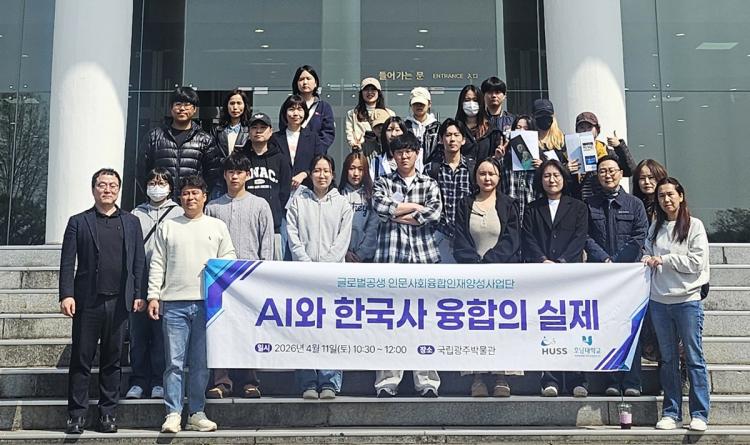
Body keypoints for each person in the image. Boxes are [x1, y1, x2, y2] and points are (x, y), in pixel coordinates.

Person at [59, 168, 146, 434]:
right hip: (87, 302)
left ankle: (108, 414)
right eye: (102, 185)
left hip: (119, 303)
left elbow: (139, 262)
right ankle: (76, 415)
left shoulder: (131, 222)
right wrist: (66, 294)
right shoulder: (78, 221)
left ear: (118, 190)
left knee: (113, 360)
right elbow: (67, 262)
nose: (107, 190)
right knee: (81, 359)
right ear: (93, 189)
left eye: (112, 185)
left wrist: (139, 294)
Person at [147, 175, 236, 433]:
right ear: (180, 197)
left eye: (195, 193)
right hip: (173, 303)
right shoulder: (168, 226)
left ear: (204, 197)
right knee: (174, 363)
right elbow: (157, 263)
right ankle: (173, 413)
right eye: (186, 193)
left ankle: (196, 412)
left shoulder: (217, 226)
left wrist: (216, 267)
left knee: (200, 363)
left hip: (207, 304)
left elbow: (229, 258)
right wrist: (153, 295)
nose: (190, 198)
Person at [372, 132, 442, 397]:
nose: (404, 156)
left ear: (416, 153)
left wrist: (398, 213)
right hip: (390, 259)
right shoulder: (383, 182)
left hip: (423, 259)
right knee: (389, 322)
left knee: (425, 322)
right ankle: (387, 381)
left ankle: (427, 381)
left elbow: (434, 212)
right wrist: (413, 207)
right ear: (393, 155)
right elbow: (380, 207)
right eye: (399, 152)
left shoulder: (429, 183)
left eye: (409, 151)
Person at [204, 153, 274, 399]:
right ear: (224, 175)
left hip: (251, 277)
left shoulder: (260, 205)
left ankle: (250, 381)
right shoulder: (213, 207)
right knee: (219, 329)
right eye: (230, 172)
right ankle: (221, 381)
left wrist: (264, 274)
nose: (235, 176)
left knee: (248, 329)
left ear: (248, 175)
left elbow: (267, 242)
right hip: (219, 278)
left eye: (239, 172)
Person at [643, 177, 710, 432]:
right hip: (659, 300)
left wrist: (666, 259)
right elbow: (647, 253)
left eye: (670, 194)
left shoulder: (695, 225)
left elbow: (697, 262)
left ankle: (699, 413)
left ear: (681, 196)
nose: (666, 199)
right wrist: (648, 258)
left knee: (693, 357)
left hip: (687, 300)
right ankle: (671, 412)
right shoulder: (655, 227)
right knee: (668, 359)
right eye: (661, 196)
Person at [453, 157, 522, 396]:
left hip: (501, 274)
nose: (487, 178)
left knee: (501, 326)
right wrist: (475, 263)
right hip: (473, 275)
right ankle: (477, 378)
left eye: (491, 173)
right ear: (475, 177)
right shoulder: (465, 204)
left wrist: (491, 261)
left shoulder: (509, 204)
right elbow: (460, 237)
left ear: (499, 177)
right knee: (475, 327)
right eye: (482, 173)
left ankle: (502, 376)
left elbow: (512, 238)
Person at [286, 154, 353, 399]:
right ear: (310, 174)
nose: (321, 175)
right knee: (304, 329)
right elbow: (292, 235)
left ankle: (329, 381)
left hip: (332, 278)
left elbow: (342, 241)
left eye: (326, 171)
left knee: (330, 329)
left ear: (333, 175)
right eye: (317, 170)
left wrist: (324, 267)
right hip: (304, 276)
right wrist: (306, 264)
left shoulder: (343, 204)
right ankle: (307, 382)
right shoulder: (298, 201)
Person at [521, 159, 589, 397]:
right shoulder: (533, 208)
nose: (552, 180)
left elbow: (580, 238)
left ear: (564, 178)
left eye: (556, 175)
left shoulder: (578, 207)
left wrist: (561, 262)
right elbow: (528, 237)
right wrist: (542, 260)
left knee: (572, 325)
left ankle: (577, 379)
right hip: (542, 276)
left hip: (570, 275)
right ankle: (550, 379)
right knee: (548, 326)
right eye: (547, 176)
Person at [584, 155, 649, 396]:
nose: (608, 175)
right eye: (602, 171)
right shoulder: (589, 204)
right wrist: (605, 260)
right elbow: (585, 236)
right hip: (600, 276)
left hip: (629, 277)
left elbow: (640, 235)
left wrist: (619, 262)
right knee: (607, 326)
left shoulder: (634, 204)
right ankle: (611, 380)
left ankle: (632, 381)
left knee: (630, 328)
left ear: (621, 173)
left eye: (612, 170)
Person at [127, 168, 184, 401]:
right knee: (138, 333)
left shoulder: (178, 212)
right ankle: (138, 380)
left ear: (170, 187)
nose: (157, 186)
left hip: (167, 280)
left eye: (162, 182)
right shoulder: (135, 213)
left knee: (162, 335)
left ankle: (159, 381)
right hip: (140, 279)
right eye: (152, 182)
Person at [139, 86, 220, 199]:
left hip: (190, 202)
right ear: (171, 108)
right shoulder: (154, 136)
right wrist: (152, 195)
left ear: (195, 109)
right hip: (161, 201)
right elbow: (141, 171)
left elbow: (213, 175)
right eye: (178, 104)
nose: (182, 108)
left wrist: (198, 197)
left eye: (187, 105)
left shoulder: (205, 140)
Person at [236, 112, 291, 260]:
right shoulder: (241, 159)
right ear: (249, 132)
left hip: (274, 227)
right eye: (254, 127)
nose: (258, 131)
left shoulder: (281, 159)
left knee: (275, 270)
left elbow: (285, 192)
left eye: (262, 127)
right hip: (245, 227)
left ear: (270, 131)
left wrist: (276, 210)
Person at [425, 118, 475, 264]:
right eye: (447, 135)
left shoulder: (473, 169)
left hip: (467, 235)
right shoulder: (431, 169)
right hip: (438, 234)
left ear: (463, 140)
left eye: (456, 135)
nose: (452, 139)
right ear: (441, 140)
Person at [572, 112, 636, 201]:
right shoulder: (570, 154)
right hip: (577, 203)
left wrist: (619, 147)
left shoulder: (606, 153)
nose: (585, 131)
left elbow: (630, 171)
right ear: (577, 131)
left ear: (597, 130)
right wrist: (567, 170)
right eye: (582, 127)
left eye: (589, 127)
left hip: (602, 203)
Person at [278, 65, 335, 153]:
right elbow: (283, 127)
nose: (305, 82)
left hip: (317, 155)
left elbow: (328, 133)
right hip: (292, 152)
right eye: (301, 79)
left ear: (315, 83)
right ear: (296, 83)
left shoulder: (324, 107)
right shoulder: (288, 104)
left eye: (308, 78)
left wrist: (316, 150)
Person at [273, 94, 322, 191]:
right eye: (291, 109)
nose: (295, 113)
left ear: (305, 113)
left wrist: (305, 174)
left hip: (306, 189)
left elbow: (318, 162)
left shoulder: (313, 138)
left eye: (300, 109)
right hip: (280, 188)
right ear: (285, 112)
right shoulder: (275, 138)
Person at [209, 89, 251, 199]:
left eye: (239, 103)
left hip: (243, 179)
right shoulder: (217, 130)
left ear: (245, 106)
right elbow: (212, 155)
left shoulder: (250, 130)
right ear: (226, 106)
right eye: (232, 103)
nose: (235, 107)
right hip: (221, 179)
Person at [339, 151, 378, 263]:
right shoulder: (338, 196)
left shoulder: (371, 197)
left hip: (365, 258)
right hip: (342, 256)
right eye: (352, 168)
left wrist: (361, 254)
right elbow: (334, 229)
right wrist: (345, 252)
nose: (356, 173)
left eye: (360, 169)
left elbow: (372, 229)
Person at [496, 114, 535, 221]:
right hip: (509, 214)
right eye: (518, 127)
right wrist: (497, 158)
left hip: (531, 214)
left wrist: (541, 168)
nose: (522, 131)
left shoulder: (539, 159)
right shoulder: (505, 157)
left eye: (526, 128)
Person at [452, 84, 503, 163]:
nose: (471, 104)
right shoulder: (455, 129)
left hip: (485, 170)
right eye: (467, 100)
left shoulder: (491, 130)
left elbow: (496, 157)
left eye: (475, 100)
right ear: (461, 103)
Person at [345, 77, 395, 153]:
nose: (370, 92)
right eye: (366, 89)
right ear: (361, 93)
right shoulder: (352, 114)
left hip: (383, 152)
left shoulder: (390, 113)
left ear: (378, 92)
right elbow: (349, 134)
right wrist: (354, 145)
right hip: (361, 152)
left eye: (373, 89)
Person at [531, 99, 579, 175]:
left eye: (548, 115)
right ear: (534, 118)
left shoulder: (563, 141)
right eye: (540, 116)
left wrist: (566, 168)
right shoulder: (531, 143)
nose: (544, 118)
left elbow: (575, 165)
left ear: (553, 117)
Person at [404, 87, 440, 163]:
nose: (419, 106)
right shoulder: (404, 127)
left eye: (422, 104)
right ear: (410, 104)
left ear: (429, 104)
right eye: (416, 104)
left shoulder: (437, 128)